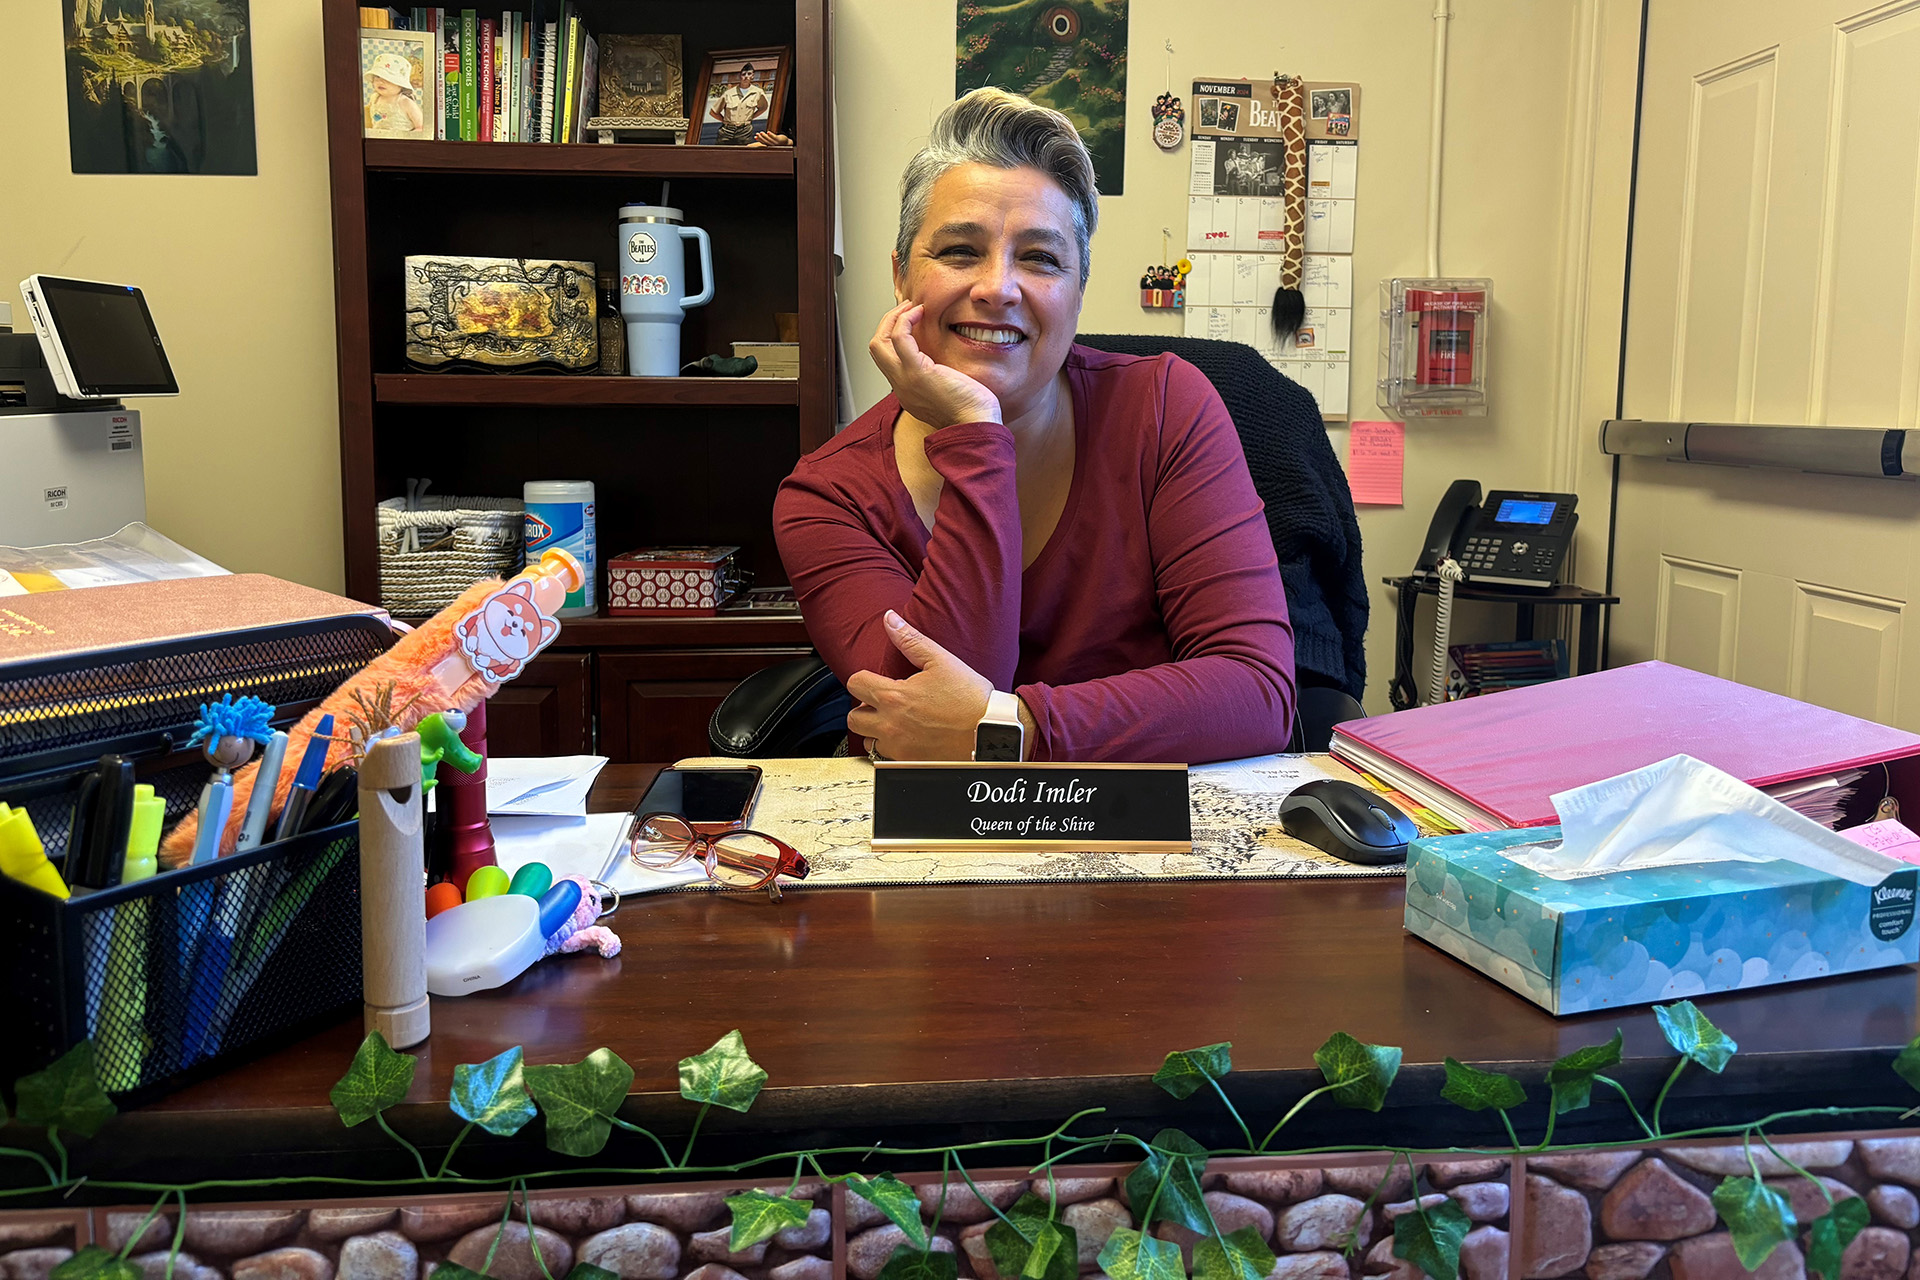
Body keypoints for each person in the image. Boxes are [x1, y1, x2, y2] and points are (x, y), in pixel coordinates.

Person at [773, 87, 1295, 764]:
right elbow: (927, 739)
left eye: (1041, 258)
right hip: (936, 850)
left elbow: (1257, 692)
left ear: (1079, 290)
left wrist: (1015, 728)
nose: (998, 288)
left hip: (1149, 840)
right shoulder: (827, 498)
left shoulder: (1165, 409)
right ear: (902, 278)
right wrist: (974, 434)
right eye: (960, 250)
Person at [365, 51, 423, 135]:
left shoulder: (405, 102)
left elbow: (421, 126)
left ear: (400, 84)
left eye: (387, 79)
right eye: (377, 77)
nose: (380, 82)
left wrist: (407, 139)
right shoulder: (374, 98)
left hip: (400, 143)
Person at [711, 65, 769, 145]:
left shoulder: (758, 93)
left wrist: (751, 117)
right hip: (727, 131)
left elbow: (763, 107)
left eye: (749, 74)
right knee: (722, 153)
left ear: (752, 76)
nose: (746, 77)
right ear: (740, 76)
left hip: (744, 130)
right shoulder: (729, 93)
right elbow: (713, 112)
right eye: (743, 74)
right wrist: (725, 121)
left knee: (743, 154)